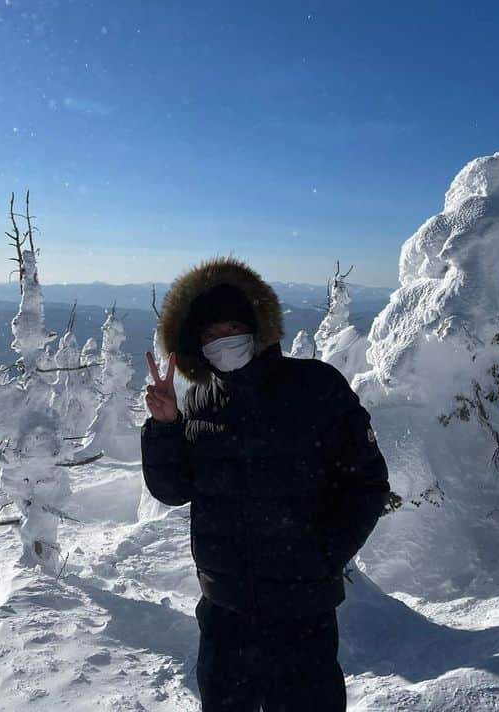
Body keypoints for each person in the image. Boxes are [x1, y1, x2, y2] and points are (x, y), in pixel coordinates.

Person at [141, 255, 390, 711]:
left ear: (258, 327)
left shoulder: (315, 386)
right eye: (210, 335)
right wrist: (165, 427)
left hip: (302, 609)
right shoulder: (197, 401)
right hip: (223, 609)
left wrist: (322, 556)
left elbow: (367, 484)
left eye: (232, 328)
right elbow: (173, 491)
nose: (223, 341)